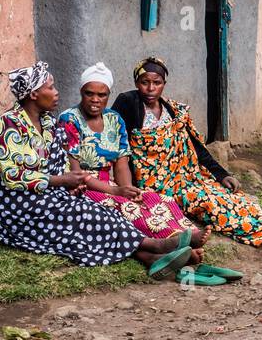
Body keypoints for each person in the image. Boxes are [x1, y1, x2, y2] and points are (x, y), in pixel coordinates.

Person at [0, 62, 206, 278]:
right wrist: (63, 181)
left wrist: (69, 187)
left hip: (47, 196)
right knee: (86, 216)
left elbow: (58, 164)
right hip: (12, 207)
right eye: (51, 87)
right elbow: (13, 177)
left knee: (98, 215)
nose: (56, 92)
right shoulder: (7, 126)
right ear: (33, 94)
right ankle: (153, 245)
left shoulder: (48, 123)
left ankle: (149, 256)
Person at [112, 56, 262, 251]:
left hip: (188, 177)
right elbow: (116, 140)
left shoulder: (174, 112)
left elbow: (196, 148)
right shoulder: (128, 102)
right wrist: (126, 186)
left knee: (232, 197)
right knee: (211, 204)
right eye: (145, 82)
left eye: (157, 82)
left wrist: (222, 175)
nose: (151, 88)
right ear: (136, 82)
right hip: (161, 187)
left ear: (164, 83)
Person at [55, 62, 197, 242]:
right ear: (81, 92)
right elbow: (75, 173)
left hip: (110, 183)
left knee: (155, 198)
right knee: (125, 207)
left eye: (102, 94)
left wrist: (127, 190)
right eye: (89, 93)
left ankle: (187, 231)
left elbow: (121, 164)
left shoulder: (115, 120)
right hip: (83, 187)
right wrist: (117, 192)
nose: (95, 99)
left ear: (108, 95)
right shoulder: (69, 119)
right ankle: (169, 239)